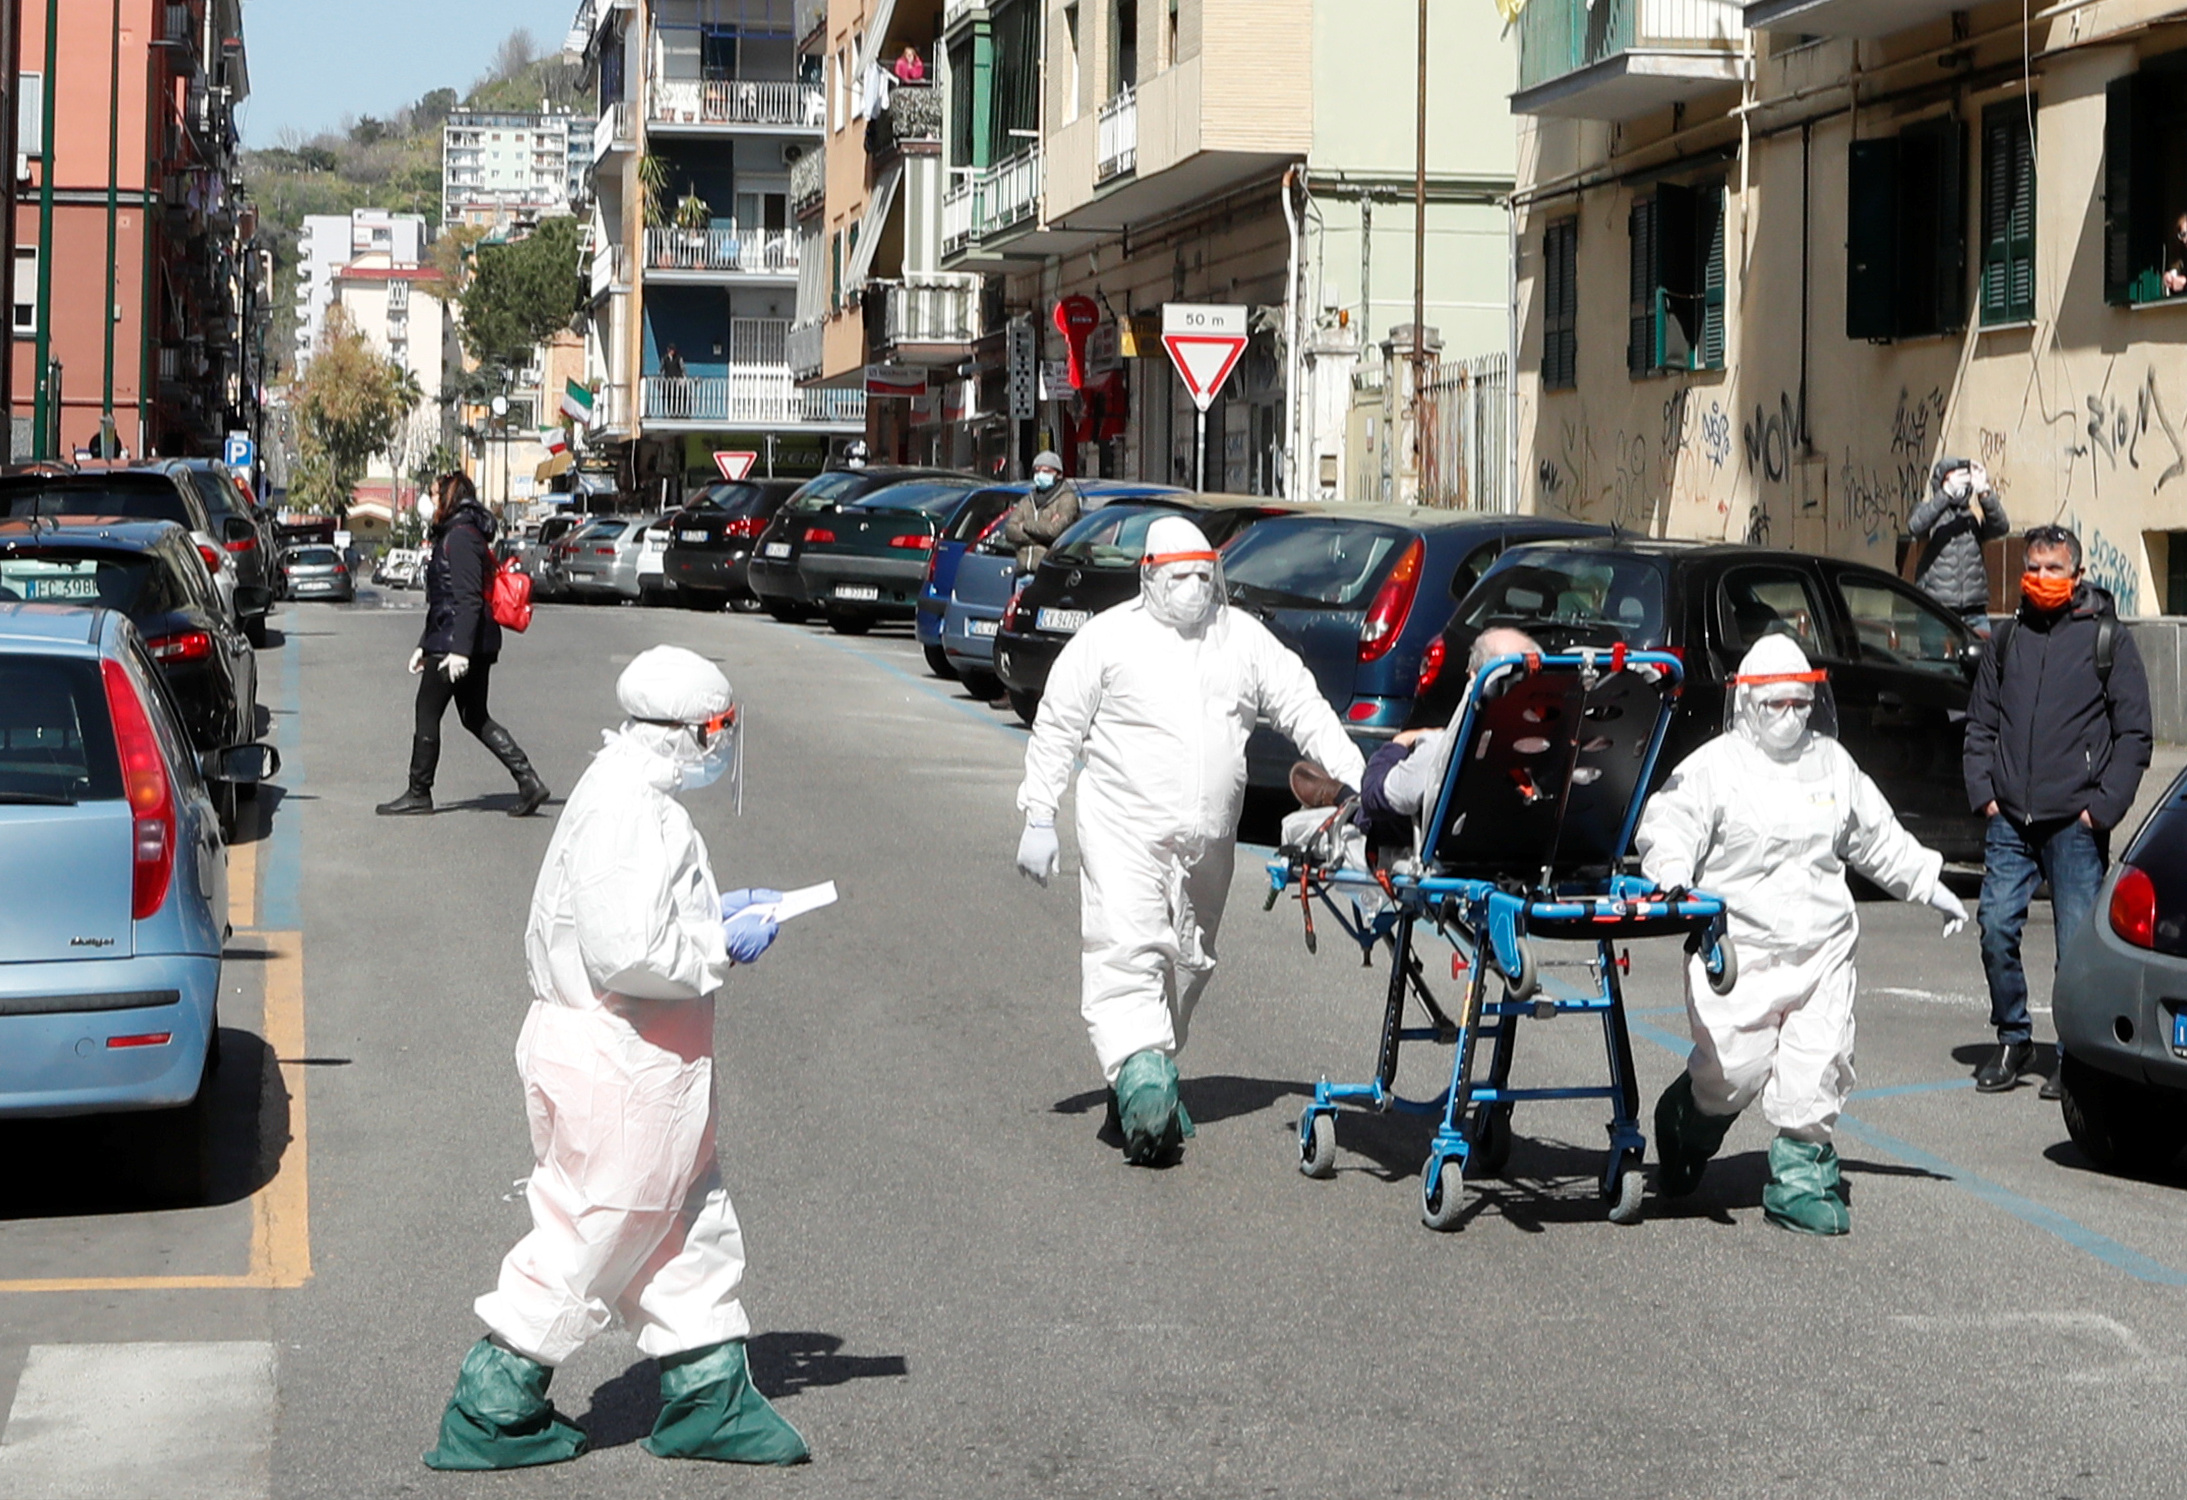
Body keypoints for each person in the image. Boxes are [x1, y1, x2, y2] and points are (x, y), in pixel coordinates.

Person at [424, 646, 807, 1471]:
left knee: (686, 1227)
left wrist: (712, 910)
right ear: (695, 731)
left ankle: (711, 1396)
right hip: (619, 1057)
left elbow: (633, 916)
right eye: (720, 730)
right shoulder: (634, 810)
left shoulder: (628, 792)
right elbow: (628, 949)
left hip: (646, 1061)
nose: (724, 743)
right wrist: (720, 944)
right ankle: (493, 1404)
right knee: (595, 1231)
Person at [1015, 515, 1367, 1165]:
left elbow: (1300, 704)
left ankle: (1144, 1068)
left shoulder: (1238, 640)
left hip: (1208, 841)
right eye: (1178, 577)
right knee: (1127, 946)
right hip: (1123, 829)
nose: (1192, 588)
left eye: (1204, 576)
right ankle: (1141, 1078)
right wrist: (1040, 810)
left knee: (1187, 955)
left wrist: (1354, 781)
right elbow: (1058, 720)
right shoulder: (1108, 639)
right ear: (1147, 576)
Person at [1637, 634, 1968, 1236]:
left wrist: (1929, 884)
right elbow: (1671, 821)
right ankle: (1689, 1119)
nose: (1789, 718)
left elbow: (1877, 837)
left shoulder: (1830, 764)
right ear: (1746, 705)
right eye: (1776, 706)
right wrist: (1671, 874)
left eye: (1799, 704)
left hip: (1823, 947)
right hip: (1740, 949)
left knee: (1817, 1066)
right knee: (1730, 1072)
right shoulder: (1716, 766)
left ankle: (1800, 1180)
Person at [1964, 525, 2152, 1097]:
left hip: (2075, 823)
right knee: (1995, 929)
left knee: (2076, 950)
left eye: (2053, 569)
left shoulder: (2107, 639)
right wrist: (1987, 796)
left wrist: (2102, 809)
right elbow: (1981, 724)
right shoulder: (2008, 637)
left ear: (2076, 575)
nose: (2041, 579)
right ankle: (2013, 1038)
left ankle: (2072, 1054)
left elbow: (2135, 733)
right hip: (2011, 822)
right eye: (2034, 567)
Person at [376, 473, 549, 818]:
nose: (428, 500)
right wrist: (425, 646)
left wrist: (458, 651)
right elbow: (443, 600)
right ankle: (528, 780)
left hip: (459, 641)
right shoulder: (460, 534)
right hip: (458, 638)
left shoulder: (460, 538)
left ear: (450, 497)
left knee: (427, 713)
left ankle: (418, 792)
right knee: (474, 716)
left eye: (433, 493)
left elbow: (468, 599)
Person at [1906, 457, 2009, 631]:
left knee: (1982, 656)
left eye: (1961, 479)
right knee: (1936, 658)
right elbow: (1915, 527)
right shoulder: (1927, 510)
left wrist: (1985, 493)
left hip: (1974, 611)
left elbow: (2001, 527)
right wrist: (1945, 495)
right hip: (1937, 609)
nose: (1958, 485)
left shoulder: (1972, 515)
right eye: (1950, 479)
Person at [1002, 451, 1080, 574]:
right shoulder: (1028, 499)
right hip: (1023, 570)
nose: (1040, 475)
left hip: (1049, 573)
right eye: (1037, 471)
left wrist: (1024, 525)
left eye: (1046, 471)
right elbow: (1009, 530)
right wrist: (1040, 540)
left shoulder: (1066, 499)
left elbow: (1053, 531)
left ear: (1058, 474)